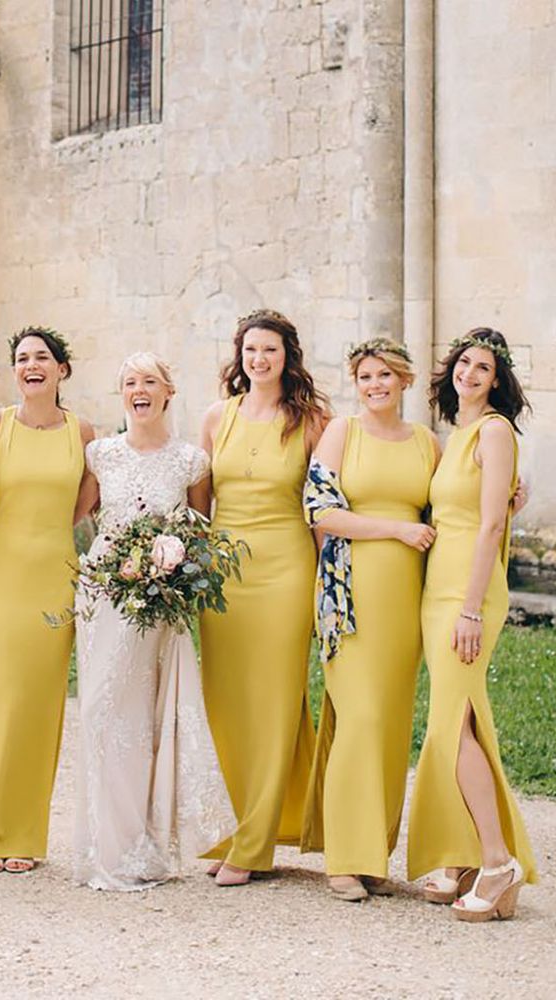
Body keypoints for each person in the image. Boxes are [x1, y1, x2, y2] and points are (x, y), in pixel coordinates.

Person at [74, 352, 235, 891]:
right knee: (100, 709)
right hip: (103, 594)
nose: (138, 390)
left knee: (145, 715)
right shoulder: (100, 455)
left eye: (149, 382)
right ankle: (108, 844)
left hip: (159, 603)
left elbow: (201, 530)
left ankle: (145, 842)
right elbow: (73, 513)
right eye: (128, 383)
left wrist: (169, 568)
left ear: (168, 392)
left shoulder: (191, 461)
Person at [0, 326, 95, 873]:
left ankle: (25, 837)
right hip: (2, 575)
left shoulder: (82, 432)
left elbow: (84, 503)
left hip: (55, 576)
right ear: (15, 371)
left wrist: (52, 534)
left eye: (42, 358)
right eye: (22, 359)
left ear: (62, 369)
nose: (31, 366)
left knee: (40, 703)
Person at [299, 338, 437, 901]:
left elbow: (452, 504)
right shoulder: (341, 433)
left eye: (385, 375)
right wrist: (398, 529)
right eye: (365, 376)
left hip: (405, 599)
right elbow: (321, 510)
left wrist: (510, 497)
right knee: (359, 716)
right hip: (347, 594)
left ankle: (373, 853)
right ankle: (344, 859)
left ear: (404, 382)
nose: (375, 384)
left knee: (390, 724)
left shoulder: (428, 442)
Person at [408, 328, 537, 921]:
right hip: (440, 587)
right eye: (464, 363)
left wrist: (469, 608)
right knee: (458, 721)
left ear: (497, 380)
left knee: (454, 726)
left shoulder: (494, 430)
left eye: (483, 368)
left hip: (469, 592)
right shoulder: (456, 436)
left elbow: (489, 528)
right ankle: (464, 856)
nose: (470, 373)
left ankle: (495, 861)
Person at [199, 308, 329, 887]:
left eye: (270, 350)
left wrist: (329, 577)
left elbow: (329, 505)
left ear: (287, 356)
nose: (260, 359)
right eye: (251, 350)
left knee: (276, 700)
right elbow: (199, 507)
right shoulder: (215, 417)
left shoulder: (312, 422)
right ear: (239, 355)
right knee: (226, 702)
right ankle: (245, 824)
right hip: (223, 577)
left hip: (286, 570)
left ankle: (253, 846)